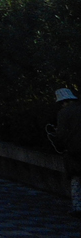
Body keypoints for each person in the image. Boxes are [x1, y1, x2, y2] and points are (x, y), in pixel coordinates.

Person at [47, 88, 81, 218]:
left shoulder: (63, 113)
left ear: (63, 102)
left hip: (74, 149)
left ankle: (78, 207)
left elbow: (61, 134)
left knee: (76, 177)